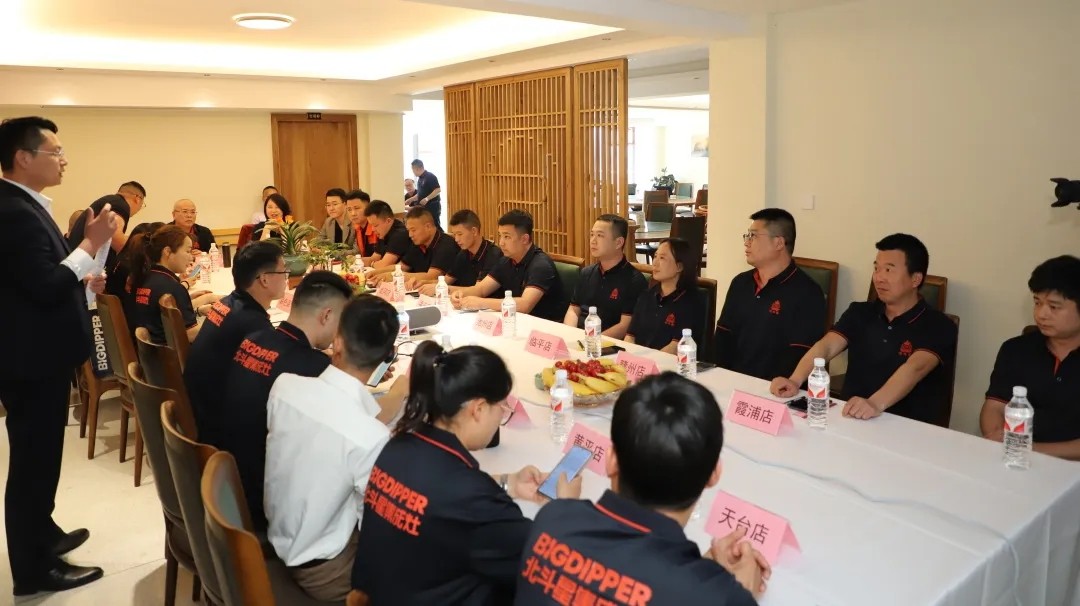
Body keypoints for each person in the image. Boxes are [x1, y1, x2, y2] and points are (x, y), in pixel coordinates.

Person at [347, 341, 582, 606]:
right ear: (478, 409)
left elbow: (435, 497)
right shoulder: (471, 497)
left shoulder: (398, 446)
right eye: (502, 408)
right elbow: (543, 559)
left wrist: (509, 484)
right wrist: (566, 507)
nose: (501, 418)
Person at [515, 372, 769, 605]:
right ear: (714, 474)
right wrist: (740, 591)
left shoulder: (552, 519)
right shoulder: (717, 597)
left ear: (611, 460)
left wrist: (704, 572)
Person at [0, 116, 114, 595]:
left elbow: (40, 275)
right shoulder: (13, 211)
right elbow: (46, 285)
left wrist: (82, 273)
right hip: (32, 359)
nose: (64, 159)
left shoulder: (26, 204)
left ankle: (43, 534)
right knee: (33, 463)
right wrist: (90, 244)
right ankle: (33, 571)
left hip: (38, 354)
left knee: (43, 458)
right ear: (23, 158)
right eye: (55, 152)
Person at [266, 295, 409, 601]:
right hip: (324, 569)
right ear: (388, 357)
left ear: (337, 342)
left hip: (279, 536)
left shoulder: (284, 388)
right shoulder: (371, 437)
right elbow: (377, 530)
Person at [770, 234, 958, 424]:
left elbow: (915, 368)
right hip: (850, 418)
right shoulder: (860, 312)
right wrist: (795, 380)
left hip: (906, 428)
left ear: (915, 279)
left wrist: (874, 404)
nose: (879, 277)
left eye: (888, 270)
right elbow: (826, 347)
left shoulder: (938, 325)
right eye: (876, 268)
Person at [219, 271, 350, 529]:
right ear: (326, 315)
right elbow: (351, 433)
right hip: (266, 502)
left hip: (230, 480)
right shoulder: (312, 368)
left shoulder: (255, 338)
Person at [184, 241, 288, 447]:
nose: (286, 277)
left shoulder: (227, 303)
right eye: (283, 271)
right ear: (264, 279)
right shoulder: (252, 324)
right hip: (218, 428)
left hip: (199, 407)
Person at [980, 255, 1080, 459]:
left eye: (1054, 306)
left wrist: (1029, 449)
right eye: (1037, 302)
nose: (1041, 314)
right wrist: (999, 440)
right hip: (1015, 459)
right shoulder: (1016, 349)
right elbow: (995, 408)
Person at [714, 209, 826, 381]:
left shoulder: (808, 292)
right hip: (732, 381)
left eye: (753, 236)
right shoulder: (740, 283)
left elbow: (800, 354)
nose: (747, 243)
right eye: (747, 236)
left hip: (776, 387)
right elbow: (723, 337)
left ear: (779, 243)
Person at [450, 209, 567, 323]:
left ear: (524, 239)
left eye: (507, 237)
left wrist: (481, 303)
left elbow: (525, 305)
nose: (501, 242)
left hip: (546, 326)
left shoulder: (541, 265)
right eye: (500, 235)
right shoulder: (506, 261)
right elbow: (481, 289)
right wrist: (461, 294)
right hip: (517, 321)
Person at [563, 214, 648, 339]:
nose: (593, 240)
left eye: (600, 236)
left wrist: (592, 341)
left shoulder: (634, 280)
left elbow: (625, 326)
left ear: (618, 243)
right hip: (579, 338)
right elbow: (573, 309)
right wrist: (570, 334)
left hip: (607, 343)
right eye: (592, 234)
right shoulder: (586, 273)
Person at [128, 225, 209, 345]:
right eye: (187, 251)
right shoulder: (172, 287)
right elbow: (189, 334)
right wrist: (219, 320)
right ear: (167, 251)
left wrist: (198, 310)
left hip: (153, 352)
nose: (191, 257)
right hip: (172, 353)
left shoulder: (145, 278)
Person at [626, 238, 706, 353]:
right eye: (655, 256)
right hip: (639, 360)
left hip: (667, 362)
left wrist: (647, 361)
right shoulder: (647, 295)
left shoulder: (692, 301)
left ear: (679, 267)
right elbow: (630, 336)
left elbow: (675, 346)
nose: (655, 263)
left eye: (662, 258)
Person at [67, 180, 147, 274]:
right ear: (137, 199)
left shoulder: (110, 201)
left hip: (76, 263)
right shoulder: (121, 205)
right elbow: (116, 239)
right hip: (84, 270)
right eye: (142, 205)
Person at [416, 209, 503, 294]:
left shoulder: (493, 254)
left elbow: (478, 291)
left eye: (460, 234)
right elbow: (446, 281)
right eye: (454, 235)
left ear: (474, 231)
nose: (456, 239)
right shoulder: (463, 253)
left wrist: (443, 289)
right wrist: (423, 283)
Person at [369, 207, 459, 285]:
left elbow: (432, 276)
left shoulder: (446, 245)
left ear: (428, 227)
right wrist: (375, 273)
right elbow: (401, 267)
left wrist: (395, 275)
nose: (410, 235)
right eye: (408, 230)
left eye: (413, 230)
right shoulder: (418, 243)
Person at [363, 200, 411, 269]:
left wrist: (372, 264)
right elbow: (374, 258)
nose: (373, 229)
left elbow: (383, 265)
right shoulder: (383, 233)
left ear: (388, 221)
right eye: (371, 225)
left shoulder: (399, 234)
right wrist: (355, 259)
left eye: (375, 225)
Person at [405, 159, 442, 226]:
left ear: (417, 169)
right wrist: (411, 199)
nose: (413, 172)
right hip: (424, 209)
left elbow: (437, 190)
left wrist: (427, 199)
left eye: (413, 170)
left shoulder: (430, 176)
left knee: (435, 226)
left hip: (432, 208)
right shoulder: (420, 179)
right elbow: (420, 193)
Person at [345, 189, 378, 258]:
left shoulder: (377, 226)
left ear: (368, 208)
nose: (353, 214)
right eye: (349, 209)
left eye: (357, 208)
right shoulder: (356, 228)